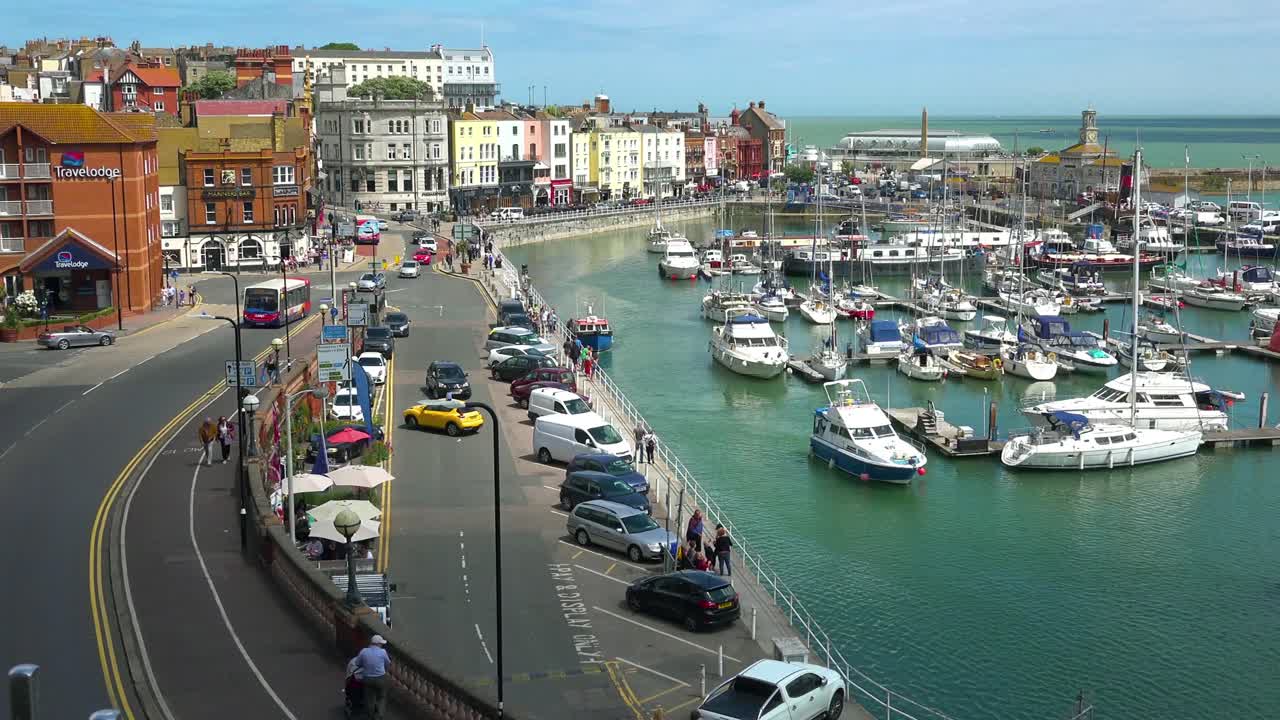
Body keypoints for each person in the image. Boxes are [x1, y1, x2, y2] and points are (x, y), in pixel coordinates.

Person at [353, 635, 391, 719]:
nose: (382, 645)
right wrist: (384, 670)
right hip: (380, 678)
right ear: (378, 644)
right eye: (381, 643)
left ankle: (370, 715)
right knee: (381, 697)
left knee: (369, 698)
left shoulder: (364, 651)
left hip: (367, 678)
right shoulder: (383, 652)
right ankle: (379, 715)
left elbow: (357, 663)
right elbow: (388, 663)